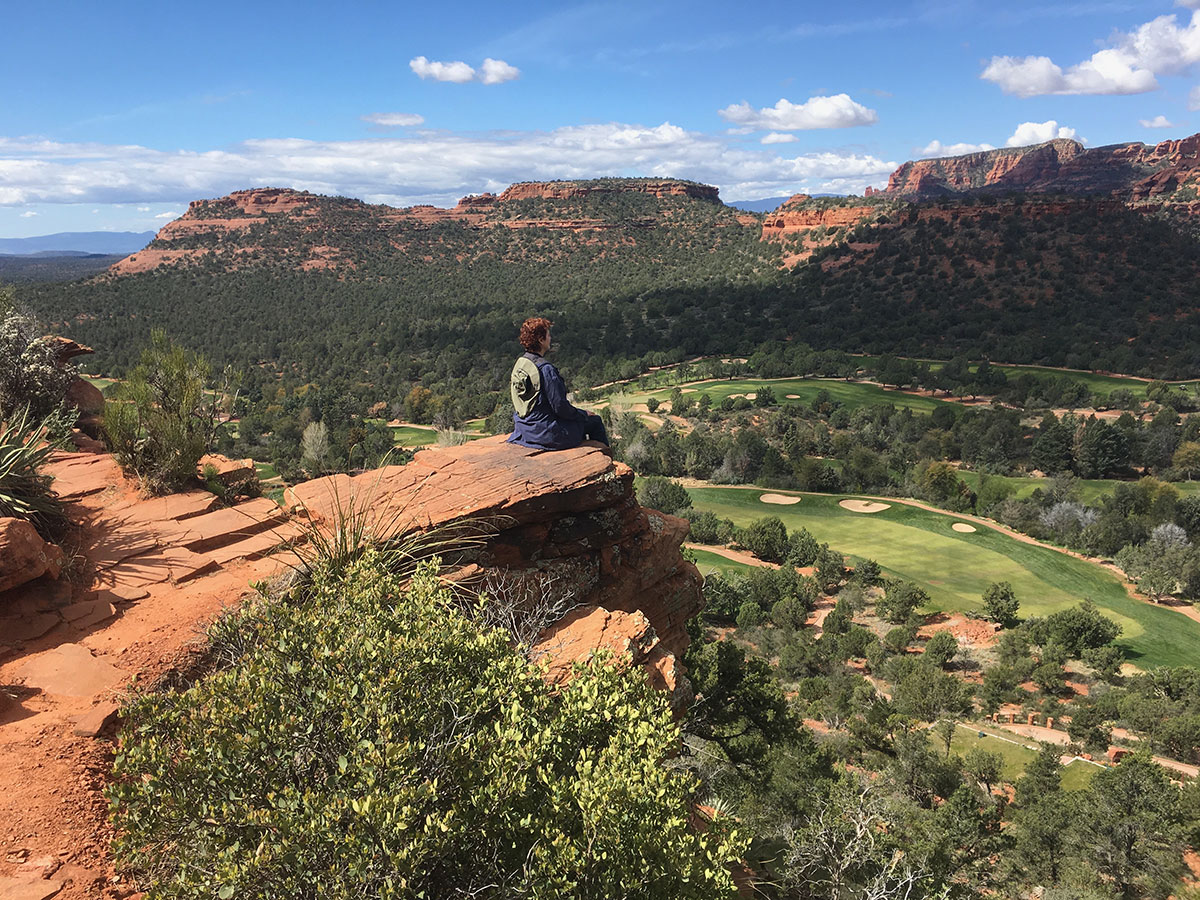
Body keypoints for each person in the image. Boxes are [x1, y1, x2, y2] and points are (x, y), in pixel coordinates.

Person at [507, 317, 608, 450]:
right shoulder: (546, 369)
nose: (550, 338)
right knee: (595, 422)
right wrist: (583, 414)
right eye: (548, 335)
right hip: (546, 434)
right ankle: (606, 464)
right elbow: (560, 407)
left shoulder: (521, 364)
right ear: (541, 340)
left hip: (524, 430)